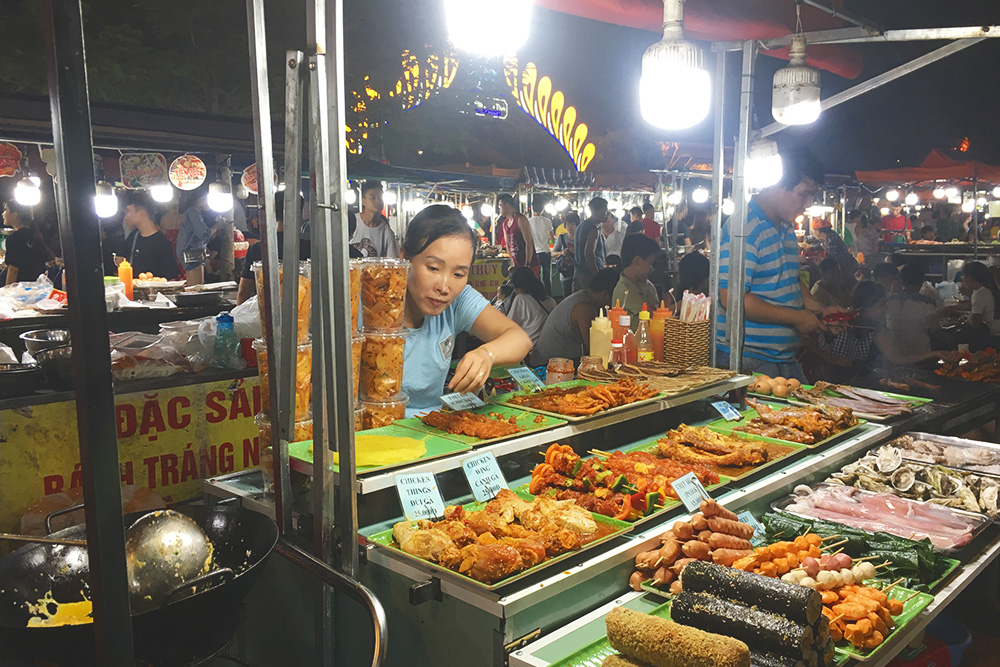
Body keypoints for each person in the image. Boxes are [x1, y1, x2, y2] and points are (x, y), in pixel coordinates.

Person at [716, 149, 841, 381]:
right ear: (777, 185)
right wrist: (796, 318)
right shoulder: (745, 228)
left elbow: (790, 279)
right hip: (749, 359)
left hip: (782, 359)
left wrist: (818, 310)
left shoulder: (785, 227)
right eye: (804, 194)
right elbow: (732, 298)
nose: (808, 203)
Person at [398, 205, 531, 416]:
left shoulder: (458, 300)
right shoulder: (365, 306)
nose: (444, 286)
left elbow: (520, 340)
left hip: (430, 428)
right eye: (433, 268)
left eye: (458, 274)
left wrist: (486, 354)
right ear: (405, 259)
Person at [236, 192, 312, 305]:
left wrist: (238, 316)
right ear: (299, 216)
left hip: (266, 313)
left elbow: (243, 292)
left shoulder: (257, 249)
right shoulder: (310, 248)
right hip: (303, 312)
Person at [533, 268, 620, 365]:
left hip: (556, 359)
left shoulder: (582, 297)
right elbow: (594, 350)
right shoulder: (584, 308)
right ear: (604, 294)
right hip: (547, 365)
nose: (614, 305)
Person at [884, 263, 947, 362]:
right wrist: (952, 339)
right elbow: (935, 330)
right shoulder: (926, 303)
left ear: (901, 281)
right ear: (921, 282)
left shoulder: (887, 301)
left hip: (893, 357)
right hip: (922, 357)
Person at [121, 191, 180, 280]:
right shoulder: (133, 237)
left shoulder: (161, 242)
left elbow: (170, 274)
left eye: (129, 212)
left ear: (141, 212)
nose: (127, 216)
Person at [943, 261, 1000, 350]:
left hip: (993, 338)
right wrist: (950, 308)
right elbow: (971, 306)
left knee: (952, 340)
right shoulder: (986, 290)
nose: (962, 280)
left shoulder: (980, 294)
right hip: (995, 334)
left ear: (969, 278)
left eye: (963, 277)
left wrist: (966, 320)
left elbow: (975, 323)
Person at [176, 188, 223, 286]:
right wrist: (218, 225)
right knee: (196, 288)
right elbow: (204, 234)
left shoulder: (194, 212)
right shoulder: (193, 212)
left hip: (193, 253)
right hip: (191, 254)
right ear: (201, 199)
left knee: (195, 287)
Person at [2, 199, 54, 285]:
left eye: (6, 210)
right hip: (36, 285)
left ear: (15, 214)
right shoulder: (34, 233)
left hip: (21, 287)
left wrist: (7, 291)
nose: (3, 214)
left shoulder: (15, 238)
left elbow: (13, 270)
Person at [506, 267, 556, 357]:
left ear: (519, 288)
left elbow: (508, 326)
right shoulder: (550, 300)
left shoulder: (521, 299)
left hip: (531, 353)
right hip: (550, 349)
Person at [612, 234, 660, 324]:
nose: (651, 268)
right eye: (650, 262)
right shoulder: (625, 291)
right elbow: (654, 316)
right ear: (637, 261)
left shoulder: (646, 284)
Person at [350, 181, 398, 258]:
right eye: (372, 198)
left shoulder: (387, 232)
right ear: (363, 201)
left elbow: (391, 261)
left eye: (380, 197)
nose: (377, 201)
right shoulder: (351, 221)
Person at [497, 194, 539, 278]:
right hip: (517, 266)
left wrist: (527, 263)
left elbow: (529, 242)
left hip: (530, 264)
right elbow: (508, 245)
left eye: (500, 205)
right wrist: (513, 263)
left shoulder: (520, 219)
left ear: (507, 205)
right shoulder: (505, 223)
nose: (499, 208)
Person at [573, 197, 608, 291]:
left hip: (578, 273)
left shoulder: (580, 226)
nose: (607, 214)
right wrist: (597, 275)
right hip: (589, 277)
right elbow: (589, 253)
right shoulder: (593, 230)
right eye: (604, 211)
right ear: (595, 211)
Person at [527, 199, 553, 294]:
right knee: (547, 278)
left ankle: (537, 296)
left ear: (532, 208)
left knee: (536, 277)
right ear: (542, 209)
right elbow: (552, 239)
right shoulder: (547, 221)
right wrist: (547, 240)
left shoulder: (528, 221)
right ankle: (549, 297)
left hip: (535, 253)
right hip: (546, 252)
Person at [553, 212, 578, 297]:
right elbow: (553, 253)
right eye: (567, 224)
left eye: (572, 224)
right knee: (566, 297)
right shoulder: (562, 238)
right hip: (565, 273)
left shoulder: (580, 238)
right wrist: (562, 253)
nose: (569, 227)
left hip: (578, 273)